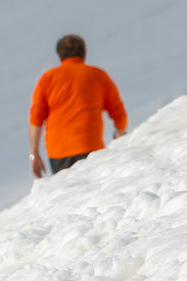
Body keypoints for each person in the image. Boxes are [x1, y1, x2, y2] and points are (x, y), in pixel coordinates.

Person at [29, 34, 127, 178]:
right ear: (84, 53)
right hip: (91, 147)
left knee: (70, 194)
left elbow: (36, 118)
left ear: (59, 56)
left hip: (59, 154)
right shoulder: (97, 75)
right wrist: (120, 131)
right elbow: (118, 110)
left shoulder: (47, 79)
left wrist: (34, 154)